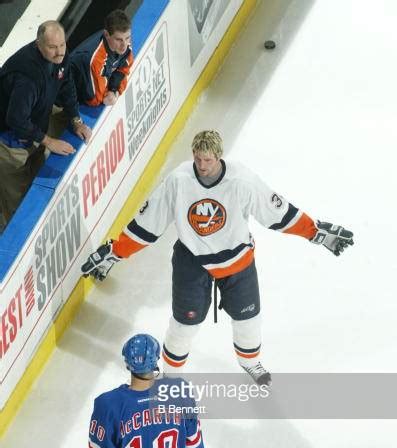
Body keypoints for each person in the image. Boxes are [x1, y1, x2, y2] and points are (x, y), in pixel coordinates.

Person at [81, 130, 354, 386]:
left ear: (219, 156)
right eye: (197, 159)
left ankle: (251, 362)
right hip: (192, 263)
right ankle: (172, 377)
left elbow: (278, 214)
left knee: (249, 320)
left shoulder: (242, 181)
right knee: (183, 324)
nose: (202, 165)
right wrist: (115, 252)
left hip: (237, 262)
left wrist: (315, 233)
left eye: (208, 160)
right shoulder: (178, 180)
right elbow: (149, 224)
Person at [0, 21, 91, 228]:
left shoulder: (59, 56)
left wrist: (76, 120)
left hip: (33, 132)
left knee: (34, 183)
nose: (59, 52)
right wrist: (49, 141)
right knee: (17, 202)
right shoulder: (27, 78)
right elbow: (16, 119)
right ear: (38, 44)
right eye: (52, 47)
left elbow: (66, 86)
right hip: (8, 143)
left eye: (62, 45)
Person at [70, 9, 133, 107]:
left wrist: (114, 91)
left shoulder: (124, 44)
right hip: (59, 98)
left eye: (127, 38)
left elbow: (124, 70)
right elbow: (96, 100)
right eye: (119, 39)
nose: (124, 45)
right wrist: (113, 92)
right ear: (107, 35)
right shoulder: (95, 59)